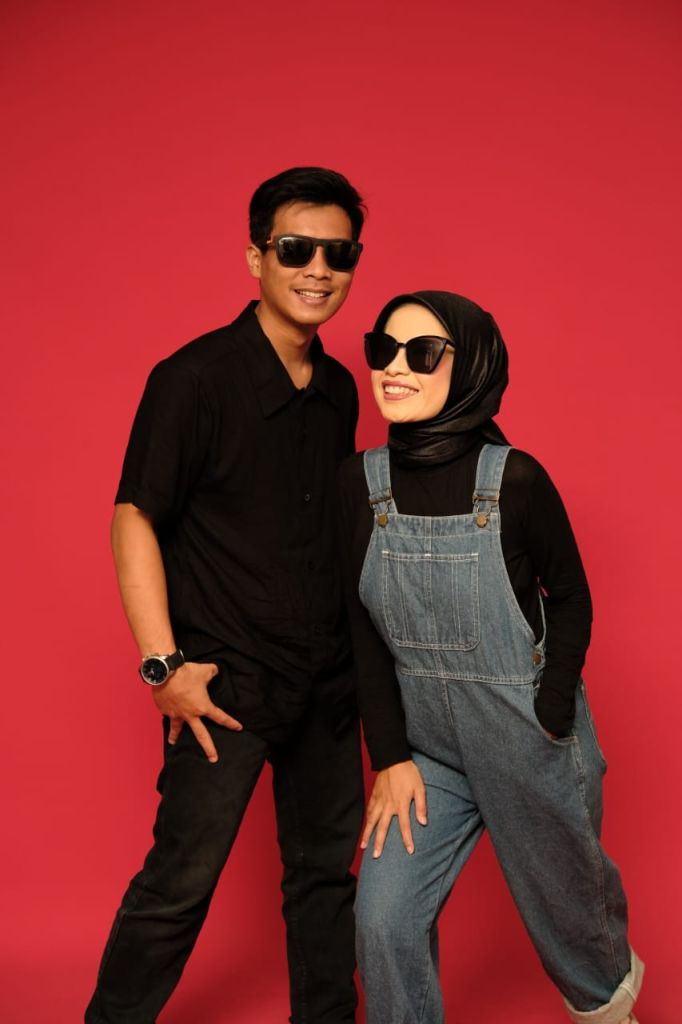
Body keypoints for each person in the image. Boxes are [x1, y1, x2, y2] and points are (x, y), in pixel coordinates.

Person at [86, 167, 366, 1024]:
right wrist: (163, 666)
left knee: (325, 883)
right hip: (225, 684)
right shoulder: (194, 378)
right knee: (180, 882)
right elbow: (133, 516)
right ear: (256, 257)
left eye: (339, 254)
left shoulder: (341, 390)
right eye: (297, 249)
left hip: (326, 683)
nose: (318, 270)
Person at [337, 291, 643, 1024]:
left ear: (470, 366)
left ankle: (611, 1016)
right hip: (427, 754)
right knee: (382, 918)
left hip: (525, 738)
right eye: (383, 349)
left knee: (575, 924)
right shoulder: (361, 485)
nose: (395, 368)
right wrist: (390, 757)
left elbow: (571, 596)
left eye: (422, 353)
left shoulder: (516, 480)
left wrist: (550, 708)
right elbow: (361, 629)